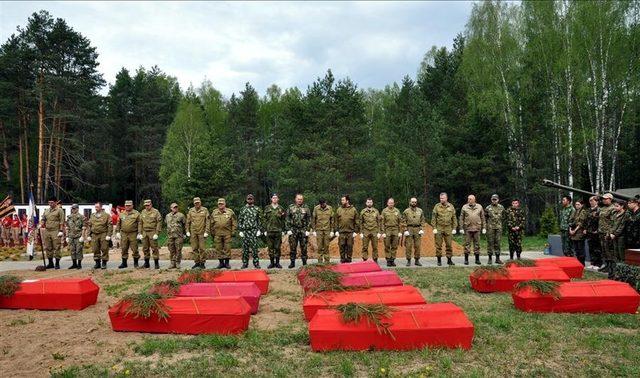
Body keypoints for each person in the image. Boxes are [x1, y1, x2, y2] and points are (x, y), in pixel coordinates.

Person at [431, 193, 458, 266]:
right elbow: (433, 218)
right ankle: (439, 260)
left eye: (442, 198)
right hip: (439, 227)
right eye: (440, 198)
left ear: (446, 198)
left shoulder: (451, 206)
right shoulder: (437, 206)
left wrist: (454, 228)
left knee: (449, 244)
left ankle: (449, 260)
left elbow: (454, 218)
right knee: (438, 245)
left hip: (448, 228)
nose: (441, 199)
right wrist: (434, 228)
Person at [286, 194, 311, 268]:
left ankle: (304, 262)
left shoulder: (306, 208)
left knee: (304, 247)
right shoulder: (291, 207)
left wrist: (308, 229)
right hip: (293, 230)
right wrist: (288, 229)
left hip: (303, 230)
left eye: (301, 199)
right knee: (293, 247)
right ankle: (292, 262)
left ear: (302, 200)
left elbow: (309, 219)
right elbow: (287, 218)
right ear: (295, 199)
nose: (299, 200)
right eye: (298, 199)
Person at [115, 200, 142, 269]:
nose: (127, 207)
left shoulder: (136, 213)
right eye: (126, 205)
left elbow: (139, 223)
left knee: (134, 249)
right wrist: (117, 232)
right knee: (124, 248)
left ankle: (136, 263)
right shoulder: (122, 214)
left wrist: (139, 233)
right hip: (124, 233)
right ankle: (124, 263)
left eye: (129, 205)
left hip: (133, 233)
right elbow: (118, 223)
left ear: (132, 206)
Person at [460, 194, 486, 265]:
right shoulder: (464, 207)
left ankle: (477, 259)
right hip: (467, 229)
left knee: (477, 244)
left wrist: (484, 227)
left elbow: (483, 218)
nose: (469, 200)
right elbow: (461, 218)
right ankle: (466, 260)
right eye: (468, 199)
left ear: (474, 200)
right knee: (467, 244)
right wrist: (461, 228)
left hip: (477, 228)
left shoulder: (479, 207)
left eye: (470, 199)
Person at [210, 198, 236, 269]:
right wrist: (212, 233)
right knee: (218, 248)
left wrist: (233, 232)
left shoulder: (230, 212)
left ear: (225, 204)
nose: (220, 205)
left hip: (227, 233)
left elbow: (234, 222)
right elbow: (211, 223)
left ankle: (227, 263)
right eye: (219, 204)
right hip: (217, 233)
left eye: (222, 204)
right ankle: (221, 263)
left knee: (227, 248)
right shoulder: (214, 212)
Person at [238, 194, 263, 269]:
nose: (250, 200)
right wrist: (240, 230)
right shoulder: (243, 209)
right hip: (245, 231)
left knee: (255, 249)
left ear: (253, 200)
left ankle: (256, 263)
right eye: (248, 199)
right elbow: (240, 220)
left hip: (253, 231)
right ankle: (245, 263)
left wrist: (259, 230)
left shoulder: (257, 209)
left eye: (251, 199)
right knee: (245, 249)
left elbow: (260, 220)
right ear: (246, 200)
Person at [186, 197, 210, 269]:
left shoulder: (205, 210)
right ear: (194, 203)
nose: (197, 204)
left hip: (202, 232)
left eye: (198, 202)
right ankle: (197, 262)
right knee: (194, 248)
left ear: (200, 202)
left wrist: (207, 231)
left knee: (202, 248)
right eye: (196, 203)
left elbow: (208, 221)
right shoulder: (191, 211)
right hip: (193, 232)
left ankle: (202, 263)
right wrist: (187, 231)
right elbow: (188, 222)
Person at [263, 193, 286, 268]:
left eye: (276, 198)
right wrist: (264, 230)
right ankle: (272, 263)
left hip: (278, 231)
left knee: (277, 247)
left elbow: (283, 220)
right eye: (273, 198)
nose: (275, 199)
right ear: (271, 199)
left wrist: (283, 230)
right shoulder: (267, 208)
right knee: (270, 248)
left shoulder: (281, 208)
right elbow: (264, 219)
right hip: (269, 230)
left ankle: (277, 263)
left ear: (278, 199)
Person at [42, 198, 65, 269]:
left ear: (55, 202)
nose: (50, 204)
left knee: (56, 247)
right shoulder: (47, 210)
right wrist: (41, 223)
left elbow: (62, 221)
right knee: (48, 247)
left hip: (55, 231)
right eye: (49, 203)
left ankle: (57, 263)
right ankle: (50, 263)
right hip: (47, 230)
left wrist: (61, 231)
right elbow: (43, 219)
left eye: (52, 203)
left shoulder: (59, 210)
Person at [335, 195, 359, 263]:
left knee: (349, 246)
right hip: (341, 232)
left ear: (347, 201)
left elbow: (357, 221)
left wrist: (356, 231)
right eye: (341, 200)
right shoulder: (339, 209)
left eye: (343, 200)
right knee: (341, 246)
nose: (341, 201)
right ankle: (342, 259)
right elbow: (336, 220)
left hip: (350, 232)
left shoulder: (353, 209)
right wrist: (336, 230)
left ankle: (349, 259)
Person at [140, 199, 163, 269]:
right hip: (144, 232)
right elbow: (140, 223)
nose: (147, 207)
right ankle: (147, 263)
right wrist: (140, 232)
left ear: (151, 205)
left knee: (154, 248)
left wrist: (157, 233)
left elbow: (159, 222)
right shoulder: (143, 212)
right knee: (145, 248)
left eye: (148, 205)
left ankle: (156, 263)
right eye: (146, 205)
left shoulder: (156, 212)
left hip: (152, 232)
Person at [87, 202, 111, 269]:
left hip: (103, 234)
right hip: (94, 234)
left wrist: (109, 235)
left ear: (101, 207)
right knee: (95, 249)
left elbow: (109, 225)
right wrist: (88, 235)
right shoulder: (92, 215)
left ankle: (104, 262)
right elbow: (89, 225)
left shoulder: (106, 215)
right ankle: (97, 263)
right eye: (95, 207)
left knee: (104, 248)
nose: (96, 208)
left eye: (97, 207)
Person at [402, 197, 425, 266]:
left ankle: (417, 260)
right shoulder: (406, 211)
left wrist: (421, 229)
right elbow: (403, 221)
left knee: (417, 246)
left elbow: (422, 220)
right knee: (408, 245)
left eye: (415, 202)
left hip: (417, 229)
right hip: (409, 229)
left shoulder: (420, 211)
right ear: (410, 202)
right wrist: (405, 229)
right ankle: (408, 260)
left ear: (416, 203)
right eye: (412, 202)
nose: (413, 203)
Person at [311, 198, 334, 264]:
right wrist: (314, 230)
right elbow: (313, 220)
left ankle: (327, 261)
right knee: (320, 246)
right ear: (320, 204)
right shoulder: (316, 208)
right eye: (321, 204)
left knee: (326, 246)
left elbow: (332, 220)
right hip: (319, 230)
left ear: (325, 202)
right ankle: (320, 262)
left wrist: (332, 230)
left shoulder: (330, 208)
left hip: (327, 230)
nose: (323, 205)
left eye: (324, 203)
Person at [380, 198, 402, 267]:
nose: (391, 204)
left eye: (392, 203)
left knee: (394, 246)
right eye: (390, 203)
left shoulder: (397, 211)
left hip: (395, 229)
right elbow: (382, 222)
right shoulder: (384, 211)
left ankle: (392, 260)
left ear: (394, 203)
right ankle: (388, 260)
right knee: (387, 245)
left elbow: (400, 222)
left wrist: (400, 231)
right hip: (387, 230)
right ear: (387, 203)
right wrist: (382, 232)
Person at [598, 193, 616, 273]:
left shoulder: (613, 208)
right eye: (603, 199)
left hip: (607, 233)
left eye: (606, 199)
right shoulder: (603, 208)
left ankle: (611, 267)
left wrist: (609, 233)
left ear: (610, 199)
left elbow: (613, 222)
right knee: (604, 250)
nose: (604, 200)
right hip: (601, 231)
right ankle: (607, 265)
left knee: (609, 250)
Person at [610, 200, 629, 275]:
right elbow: (612, 224)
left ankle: (623, 271)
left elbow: (622, 226)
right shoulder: (615, 213)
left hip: (621, 236)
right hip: (613, 236)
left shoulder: (626, 214)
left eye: (617, 206)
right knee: (615, 252)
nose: (615, 207)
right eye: (615, 206)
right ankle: (617, 270)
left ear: (622, 206)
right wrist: (611, 233)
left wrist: (615, 233)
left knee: (621, 253)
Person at [485, 194, 504, 264]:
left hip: (498, 228)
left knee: (498, 243)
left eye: (495, 199)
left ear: (498, 200)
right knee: (490, 243)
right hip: (490, 228)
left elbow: (503, 217)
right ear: (491, 200)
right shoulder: (488, 208)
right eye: (493, 199)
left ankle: (497, 258)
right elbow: (485, 217)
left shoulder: (501, 207)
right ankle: (490, 258)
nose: (494, 201)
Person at [359, 198, 381, 262]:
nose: (369, 203)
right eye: (368, 202)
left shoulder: (376, 211)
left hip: (374, 231)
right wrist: (361, 232)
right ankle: (365, 260)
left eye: (370, 202)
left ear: (372, 203)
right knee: (365, 247)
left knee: (375, 247)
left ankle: (375, 260)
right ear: (366, 203)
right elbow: (360, 222)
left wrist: (379, 232)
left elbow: (379, 222)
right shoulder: (363, 212)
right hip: (366, 231)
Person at [165, 202, 186, 269]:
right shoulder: (167, 216)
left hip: (178, 235)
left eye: (176, 207)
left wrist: (185, 233)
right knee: (171, 249)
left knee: (178, 249)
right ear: (171, 208)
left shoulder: (181, 215)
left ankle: (177, 262)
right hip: (170, 236)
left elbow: (185, 225)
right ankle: (172, 262)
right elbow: (166, 223)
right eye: (174, 207)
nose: (175, 208)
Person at [65, 204, 85, 269]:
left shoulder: (81, 217)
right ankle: (74, 264)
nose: (73, 210)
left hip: (78, 235)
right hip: (71, 236)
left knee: (79, 250)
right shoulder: (69, 217)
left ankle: (79, 264)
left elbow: (84, 227)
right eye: (72, 209)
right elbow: (67, 227)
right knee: (72, 250)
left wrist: (82, 236)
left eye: (74, 208)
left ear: (77, 209)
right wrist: (67, 236)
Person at [585, 196, 602, 269]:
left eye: (592, 200)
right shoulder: (588, 210)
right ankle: (592, 262)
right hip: (589, 231)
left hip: (596, 232)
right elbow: (586, 220)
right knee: (591, 248)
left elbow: (601, 222)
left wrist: (598, 230)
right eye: (590, 200)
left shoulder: (599, 210)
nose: (590, 202)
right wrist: (585, 228)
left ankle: (598, 264)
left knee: (597, 248)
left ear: (597, 201)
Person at [569, 200, 588, 266]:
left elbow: (581, 223)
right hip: (573, 233)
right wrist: (570, 230)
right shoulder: (575, 212)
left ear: (582, 205)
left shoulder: (583, 212)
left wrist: (574, 230)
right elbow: (571, 221)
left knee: (580, 249)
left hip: (579, 233)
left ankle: (582, 263)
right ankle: (578, 262)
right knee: (576, 249)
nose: (576, 206)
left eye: (578, 204)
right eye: (576, 204)